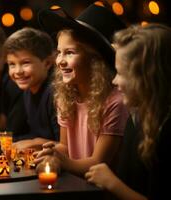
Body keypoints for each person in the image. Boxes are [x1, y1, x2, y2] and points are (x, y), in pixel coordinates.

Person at [34, 4, 129, 177]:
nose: (60, 61)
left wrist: (62, 161)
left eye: (70, 53)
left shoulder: (115, 101)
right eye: (59, 52)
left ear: (95, 60)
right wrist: (49, 151)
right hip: (74, 185)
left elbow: (97, 164)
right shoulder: (66, 96)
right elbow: (65, 147)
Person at [85, 23, 171, 200]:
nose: (115, 81)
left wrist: (111, 182)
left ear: (148, 77)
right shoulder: (138, 118)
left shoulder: (166, 127)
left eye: (121, 73)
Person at [4, 27, 59, 150]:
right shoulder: (28, 90)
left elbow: (67, 146)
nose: (18, 71)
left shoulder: (56, 93)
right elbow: (37, 134)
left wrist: (35, 142)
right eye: (12, 64)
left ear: (47, 63)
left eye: (25, 63)